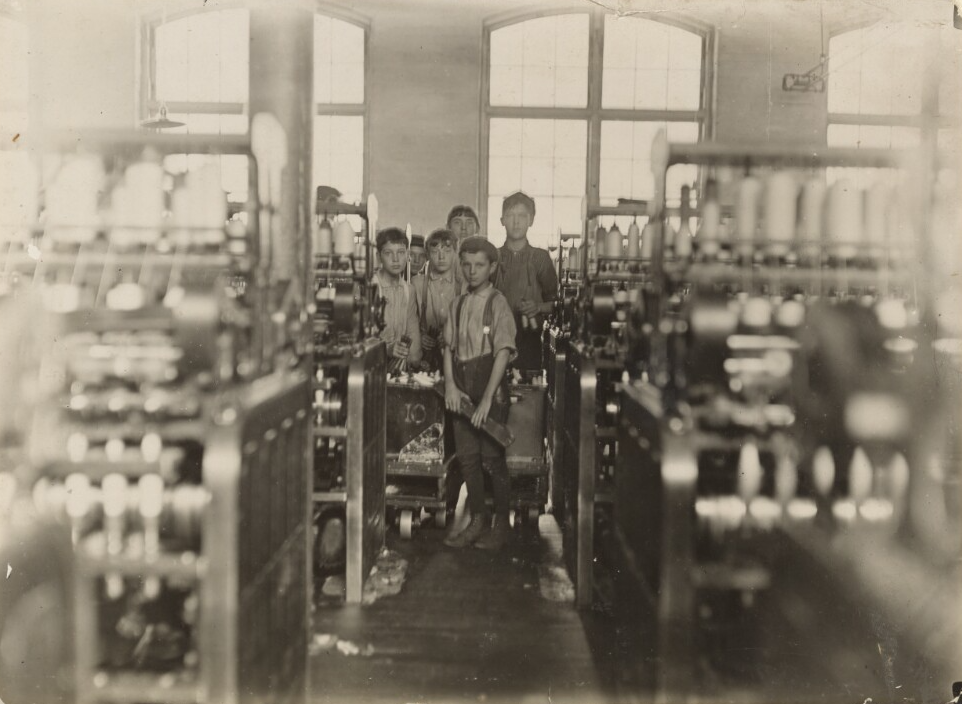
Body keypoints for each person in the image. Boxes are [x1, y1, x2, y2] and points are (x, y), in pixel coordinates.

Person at [442, 236, 516, 550]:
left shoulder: (497, 302)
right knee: (468, 459)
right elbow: (447, 348)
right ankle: (477, 521)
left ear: (492, 267)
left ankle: (501, 525)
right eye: (467, 265)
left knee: (491, 460)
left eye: (480, 265)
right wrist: (450, 386)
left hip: (490, 392)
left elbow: (502, 352)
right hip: (461, 390)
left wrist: (487, 398)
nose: (472, 271)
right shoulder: (456, 304)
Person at [493, 191, 558, 375]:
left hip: (531, 341)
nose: (516, 222)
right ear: (502, 220)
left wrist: (537, 307)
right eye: (510, 216)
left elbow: (556, 305)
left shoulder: (540, 258)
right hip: (495, 342)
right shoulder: (493, 257)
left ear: (531, 220)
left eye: (522, 216)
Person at [411, 228, 462, 372]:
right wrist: (419, 336)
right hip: (425, 359)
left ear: (455, 253)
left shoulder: (463, 286)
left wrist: (454, 335)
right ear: (427, 255)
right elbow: (409, 320)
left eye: (447, 251)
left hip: (455, 359)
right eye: (435, 252)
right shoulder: (417, 283)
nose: (441, 257)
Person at [372, 227, 421, 367]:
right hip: (371, 367)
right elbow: (358, 339)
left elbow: (413, 334)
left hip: (398, 370)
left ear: (407, 255)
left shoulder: (408, 290)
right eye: (388, 253)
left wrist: (414, 364)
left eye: (400, 252)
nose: (395, 259)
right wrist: (385, 349)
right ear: (378, 256)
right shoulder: (370, 287)